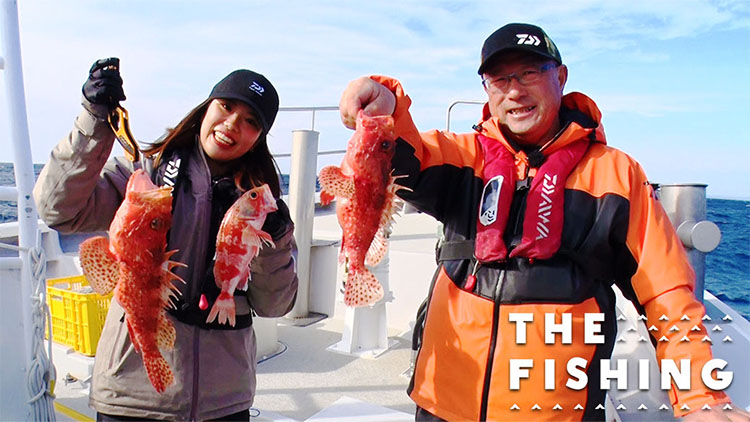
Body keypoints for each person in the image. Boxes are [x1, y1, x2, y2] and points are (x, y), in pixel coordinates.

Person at [339, 23, 749, 422]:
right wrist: (386, 103)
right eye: (499, 79)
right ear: (486, 90)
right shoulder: (462, 157)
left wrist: (700, 397)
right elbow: (402, 154)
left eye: (530, 73)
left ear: (561, 77)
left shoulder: (618, 176)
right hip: (442, 406)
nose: (515, 90)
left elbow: (667, 294)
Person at [33, 58, 298, 421]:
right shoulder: (145, 176)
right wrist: (94, 121)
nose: (232, 124)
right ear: (206, 108)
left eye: (251, 121)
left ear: (259, 139)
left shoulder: (260, 206)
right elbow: (57, 209)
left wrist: (276, 241)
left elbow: (275, 305)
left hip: (223, 400)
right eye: (225, 106)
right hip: (131, 394)